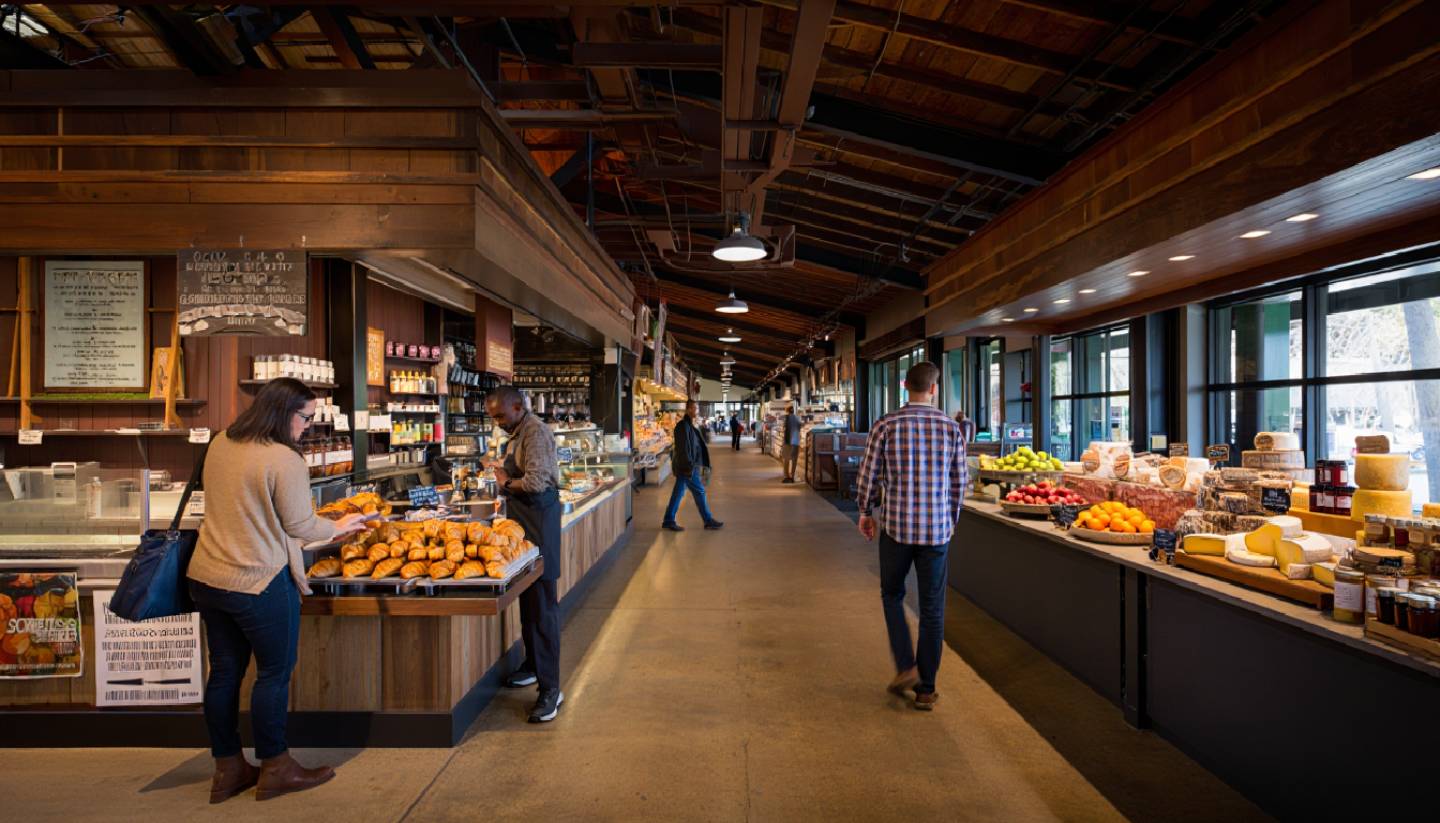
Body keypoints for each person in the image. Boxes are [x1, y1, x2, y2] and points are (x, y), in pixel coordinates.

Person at [187, 377, 370, 803]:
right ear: (284, 412)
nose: (308, 426)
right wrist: (340, 526)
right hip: (259, 580)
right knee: (273, 673)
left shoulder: (220, 443)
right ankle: (276, 767)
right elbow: (300, 526)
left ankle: (227, 768)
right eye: (305, 418)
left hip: (209, 577)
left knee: (225, 673)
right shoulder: (284, 459)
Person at [854, 361, 967, 711]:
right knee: (933, 609)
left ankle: (906, 666)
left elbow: (868, 475)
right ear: (934, 389)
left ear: (906, 386)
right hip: (936, 532)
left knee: (892, 594)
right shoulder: (951, 429)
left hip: (897, 530)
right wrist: (950, 521)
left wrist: (865, 511)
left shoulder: (886, 425)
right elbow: (959, 483)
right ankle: (926, 689)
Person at [486, 386, 566, 723]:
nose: (499, 422)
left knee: (543, 608)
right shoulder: (518, 431)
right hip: (522, 523)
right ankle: (533, 665)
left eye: (501, 416)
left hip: (539, 522)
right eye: (494, 417)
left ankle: (551, 688)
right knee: (527, 600)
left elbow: (535, 481)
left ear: (519, 407)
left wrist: (504, 482)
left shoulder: (535, 433)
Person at [662, 401, 723, 532]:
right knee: (699, 492)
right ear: (689, 409)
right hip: (688, 467)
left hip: (689, 466)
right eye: (695, 408)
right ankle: (708, 520)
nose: (697, 411)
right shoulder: (682, 426)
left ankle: (669, 520)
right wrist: (688, 467)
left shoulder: (688, 425)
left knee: (678, 493)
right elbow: (683, 449)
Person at [781, 405, 803, 483]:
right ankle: (792, 476)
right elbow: (800, 427)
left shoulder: (786, 418)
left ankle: (786, 476)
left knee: (786, 459)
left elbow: (784, 428)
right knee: (794, 459)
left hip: (788, 441)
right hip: (796, 441)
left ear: (786, 411)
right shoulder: (797, 418)